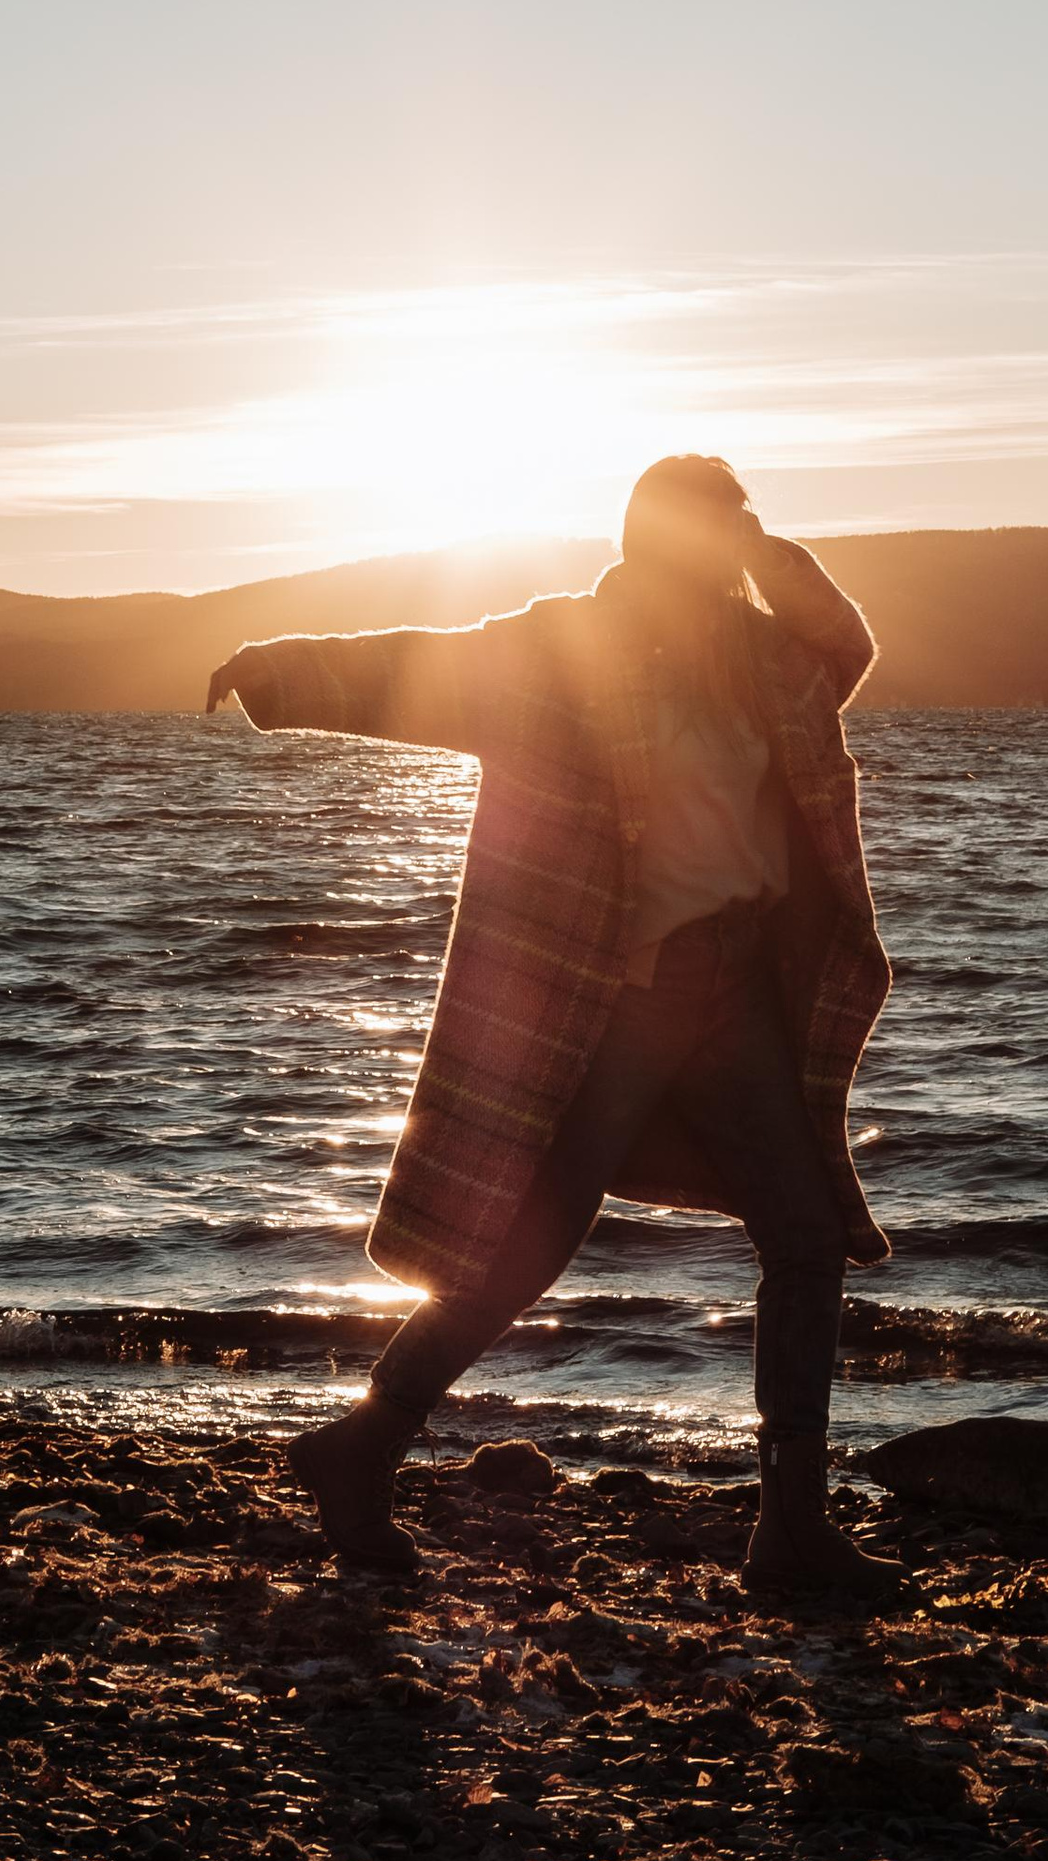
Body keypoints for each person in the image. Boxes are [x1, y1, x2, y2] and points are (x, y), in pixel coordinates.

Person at [205, 454, 895, 1604]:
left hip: (737, 994)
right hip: (615, 996)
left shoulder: (767, 663)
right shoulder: (561, 651)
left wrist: (769, 553)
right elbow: (414, 671)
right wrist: (278, 671)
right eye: (709, 538)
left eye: (736, 539)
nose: (725, 561)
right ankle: (363, 1444)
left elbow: (846, 647)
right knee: (528, 1244)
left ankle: (790, 1531)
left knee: (804, 1238)